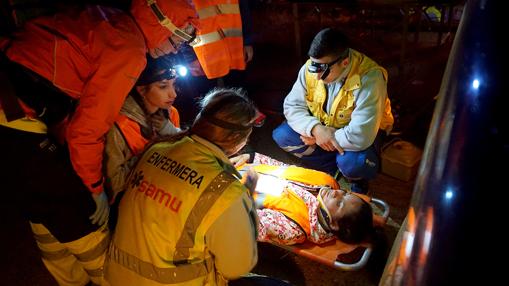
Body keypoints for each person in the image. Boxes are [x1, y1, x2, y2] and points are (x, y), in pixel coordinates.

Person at [0, 1, 198, 284]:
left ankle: (70, 279)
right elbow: (87, 130)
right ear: (160, 23)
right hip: (13, 110)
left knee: (42, 202)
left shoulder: (114, 20)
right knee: (80, 214)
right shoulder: (130, 50)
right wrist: (94, 189)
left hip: (14, 92)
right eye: (178, 37)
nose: (175, 48)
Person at [104, 88, 259, 285]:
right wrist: (248, 204)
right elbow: (236, 267)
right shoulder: (225, 190)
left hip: (116, 278)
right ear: (234, 139)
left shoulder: (157, 150)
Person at [272, 27, 394, 194]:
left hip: (361, 137)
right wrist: (315, 128)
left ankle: (355, 178)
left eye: (322, 69)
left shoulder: (370, 78)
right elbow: (291, 106)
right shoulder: (312, 68)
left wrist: (318, 138)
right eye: (314, 66)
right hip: (324, 129)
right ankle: (333, 168)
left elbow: (361, 135)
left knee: (354, 164)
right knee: (282, 136)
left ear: (344, 62)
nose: (316, 76)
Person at [104, 53, 182, 207]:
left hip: (166, 197)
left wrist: (174, 134)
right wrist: (155, 153)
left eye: (174, 84)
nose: (173, 93)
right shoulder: (120, 126)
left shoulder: (171, 113)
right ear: (141, 89)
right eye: (163, 86)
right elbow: (115, 184)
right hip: (133, 204)